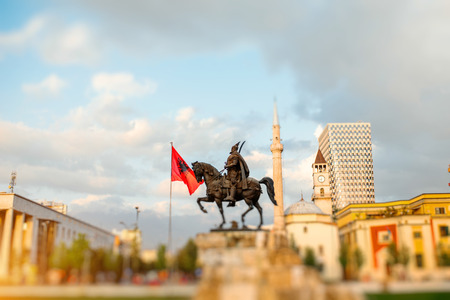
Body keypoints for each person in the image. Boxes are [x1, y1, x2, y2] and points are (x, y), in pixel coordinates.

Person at [224, 142, 249, 207]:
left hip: (234, 172)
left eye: (233, 148)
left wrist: (228, 166)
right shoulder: (232, 156)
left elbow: (235, 163)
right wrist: (227, 165)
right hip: (230, 171)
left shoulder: (235, 156)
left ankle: (232, 197)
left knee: (233, 183)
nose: (232, 149)